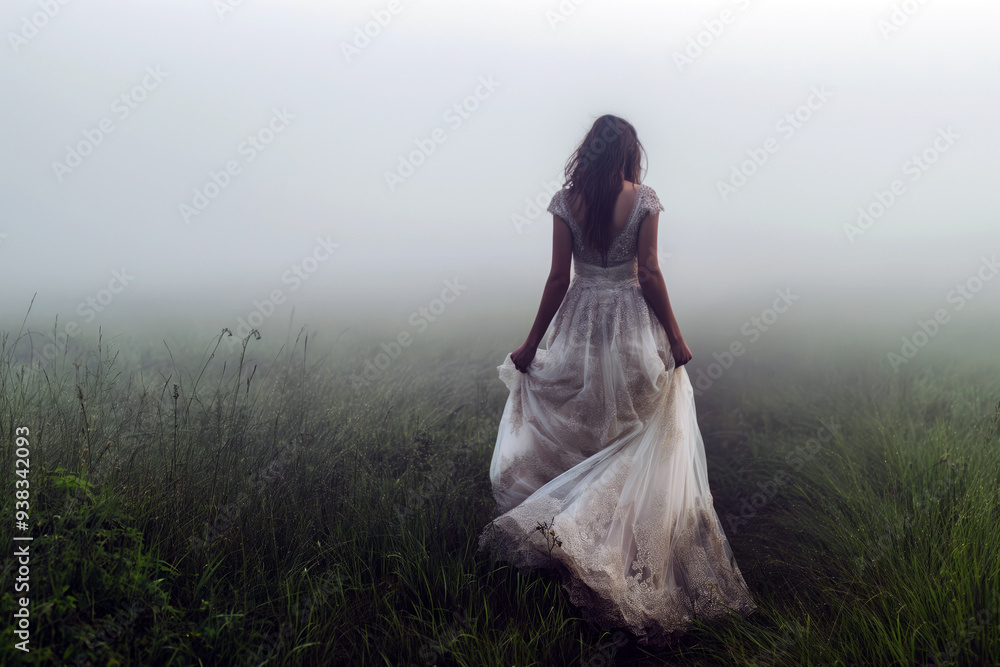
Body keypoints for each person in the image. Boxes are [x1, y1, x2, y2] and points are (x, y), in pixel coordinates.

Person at [478, 114, 757, 648]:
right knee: (631, 439)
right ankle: (607, 549)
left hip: (581, 323)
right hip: (630, 325)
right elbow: (648, 271)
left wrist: (532, 344)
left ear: (589, 151)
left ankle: (568, 538)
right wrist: (675, 337)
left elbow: (559, 277)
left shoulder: (568, 200)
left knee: (586, 434)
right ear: (630, 153)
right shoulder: (646, 198)